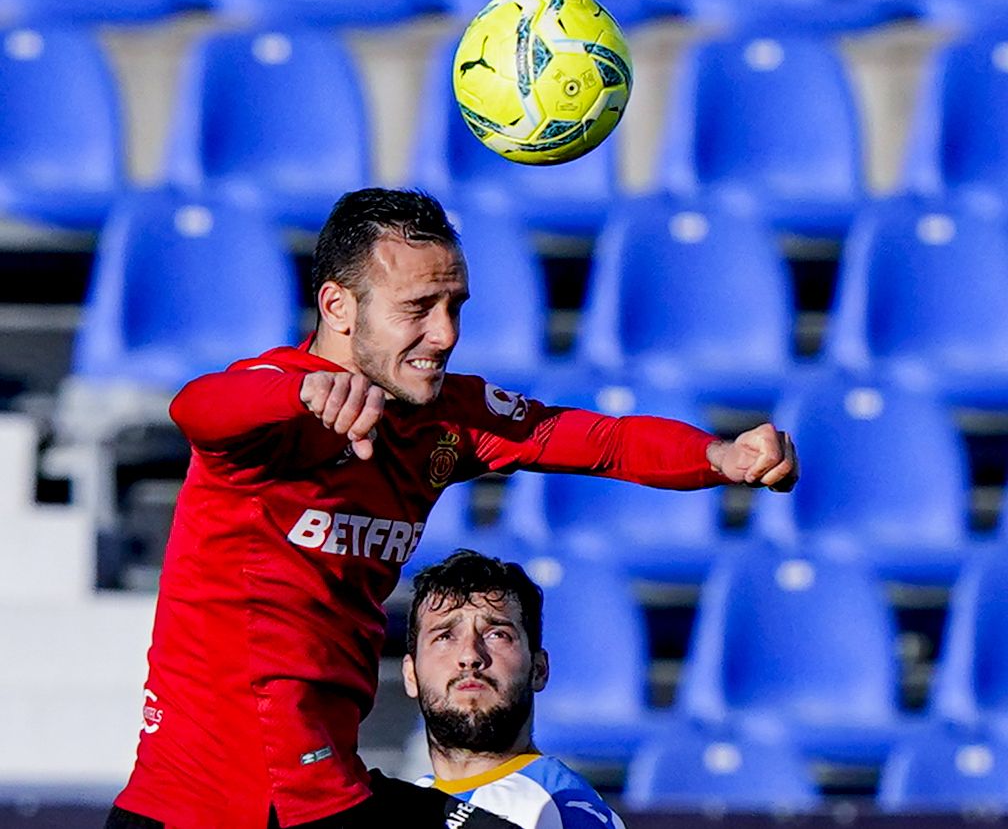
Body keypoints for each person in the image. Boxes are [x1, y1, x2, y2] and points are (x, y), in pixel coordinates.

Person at [108, 188, 798, 829]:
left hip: (324, 789)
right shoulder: (273, 410)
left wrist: (719, 458)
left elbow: (604, 442)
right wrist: (301, 396)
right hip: (206, 807)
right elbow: (198, 407)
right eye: (418, 308)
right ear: (339, 305)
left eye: (455, 305)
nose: (444, 333)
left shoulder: (444, 416)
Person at [406, 549, 625, 828]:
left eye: (497, 634)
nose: (470, 656)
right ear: (410, 674)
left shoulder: (560, 810)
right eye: (445, 636)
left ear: (539, 669)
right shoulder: (406, 804)